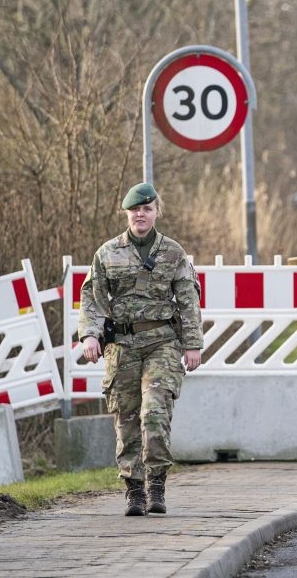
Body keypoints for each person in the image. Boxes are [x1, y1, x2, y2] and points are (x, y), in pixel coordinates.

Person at [77, 182, 203, 516]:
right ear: (127, 214)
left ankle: (156, 484)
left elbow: (189, 301)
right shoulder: (107, 253)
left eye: (146, 209)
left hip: (161, 342)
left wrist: (192, 344)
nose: (140, 215)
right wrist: (90, 335)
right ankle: (134, 490)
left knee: (154, 412)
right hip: (121, 346)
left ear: (156, 212)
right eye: (135, 210)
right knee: (127, 418)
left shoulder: (173, 253)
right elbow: (92, 297)